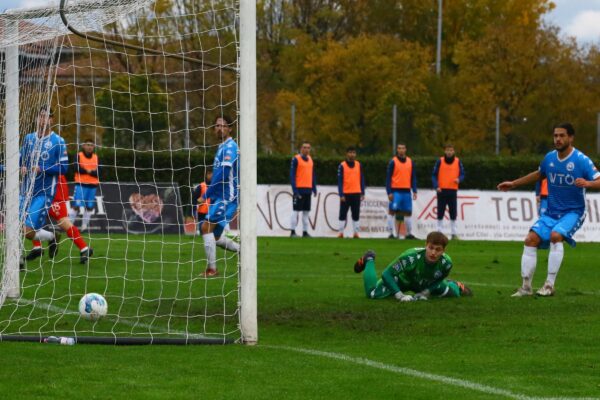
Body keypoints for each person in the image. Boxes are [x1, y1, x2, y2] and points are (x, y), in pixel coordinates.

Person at [498, 122, 600, 297]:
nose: (558, 139)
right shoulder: (549, 158)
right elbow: (539, 174)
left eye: (562, 136)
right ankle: (526, 287)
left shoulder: (581, 160)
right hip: (551, 212)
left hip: (574, 212)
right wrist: (514, 183)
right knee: (530, 239)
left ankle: (549, 285)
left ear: (571, 138)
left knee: (555, 236)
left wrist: (588, 183)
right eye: (555, 136)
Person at [353, 231, 472, 301]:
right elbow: (386, 274)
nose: (433, 253)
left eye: (438, 250)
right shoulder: (411, 257)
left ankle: (456, 285)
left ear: (443, 250)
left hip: (425, 282)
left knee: (453, 295)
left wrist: (427, 291)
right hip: (401, 281)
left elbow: (441, 277)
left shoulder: (447, 263)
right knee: (372, 294)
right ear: (426, 245)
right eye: (431, 248)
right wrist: (399, 295)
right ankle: (369, 258)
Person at [19, 107, 68, 258]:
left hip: (44, 193)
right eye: (40, 116)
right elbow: (21, 160)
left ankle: (52, 237)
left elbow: (64, 168)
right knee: (17, 228)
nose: (43, 119)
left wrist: (42, 168)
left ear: (52, 120)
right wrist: (22, 167)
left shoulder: (58, 141)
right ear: (37, 119)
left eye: (47, 117)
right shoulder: (28, 139)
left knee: (28, 231)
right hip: (25, 191)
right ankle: (18, 261)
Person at [199, 115, 240, 277]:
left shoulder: (230, 147)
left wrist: (206, 195)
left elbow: (223, 173)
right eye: (217, 126)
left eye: (223, 126)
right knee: (215, 236)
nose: (220, 128)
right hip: (221, 196)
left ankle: (212, 269)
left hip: (227, 196)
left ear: (230, 128)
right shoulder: (222, 147)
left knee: (205, 227)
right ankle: (245, 252)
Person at [26, 174, 93, 264]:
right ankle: (37, 247)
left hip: (52, 193)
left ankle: (83, 248)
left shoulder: (52, 163)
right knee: (32, 219)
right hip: (46, 191)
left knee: (62, 221)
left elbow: (60, 169)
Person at [432, 144, 465, 239]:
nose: (449, 152)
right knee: (440, 211)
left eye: (451, 150)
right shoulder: (440, 161)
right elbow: (434, 175)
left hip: (452, 190)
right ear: (445, 151)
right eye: (447, 150)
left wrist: (459, 179)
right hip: (441, 190)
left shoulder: (458, 161)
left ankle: (453, 233)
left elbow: (462, 173)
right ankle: (439, 233)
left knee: (453, 212)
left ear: (453, 151)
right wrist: (436, 186)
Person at [386, 143, 417, 239]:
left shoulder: (410, 162)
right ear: (397, 150)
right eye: (399, 148)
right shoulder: (393, 162)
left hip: (407, 192)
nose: (401, 150)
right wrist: (389, 192)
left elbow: (413, 177)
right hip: (396, 191)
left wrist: (414, 190)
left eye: (403, 148)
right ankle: (391, 234)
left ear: (405, 149)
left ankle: (408, 234)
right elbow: (388, 178)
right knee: (392, 211)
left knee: (408, 212)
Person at [69, 139, 100, 231]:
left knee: (89, 207)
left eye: (91, 145)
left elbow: (99, 172)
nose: (89, 147)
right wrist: (90, 171)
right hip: (80, 185)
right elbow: (76, 168)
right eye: (88, 145)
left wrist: (85, 170)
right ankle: (69, 226)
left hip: (93, 185)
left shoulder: (96, 157)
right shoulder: (78, 156)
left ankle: (84, 227)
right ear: (83, 146)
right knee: (76, 206)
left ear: (94, 147)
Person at [289, 141, 317, 237]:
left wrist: (314, 187)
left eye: (308, 147)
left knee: (306, 212)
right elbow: (292, 175)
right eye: (304, 147)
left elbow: (312, 175)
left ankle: (305, 232)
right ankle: (292, 231)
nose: (306, 149)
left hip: (308, 190)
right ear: (301, 148)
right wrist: (295, 190)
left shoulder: (310, 159)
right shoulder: (296, 159)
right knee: (295, 211)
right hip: (299, 189)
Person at [337, 146, 365, 238]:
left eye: (353, 153)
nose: (352, 154)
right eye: (350, 152)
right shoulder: (342, 165)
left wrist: (362, 192)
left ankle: (356, 233)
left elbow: (362, 179)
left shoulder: (358, 165)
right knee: (342, 214)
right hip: (346, 194)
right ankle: (341, 233)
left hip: (356, 193)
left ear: (355, 154)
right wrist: (341, 194)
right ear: (347, 154)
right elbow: (340, 181)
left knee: (356, 213)